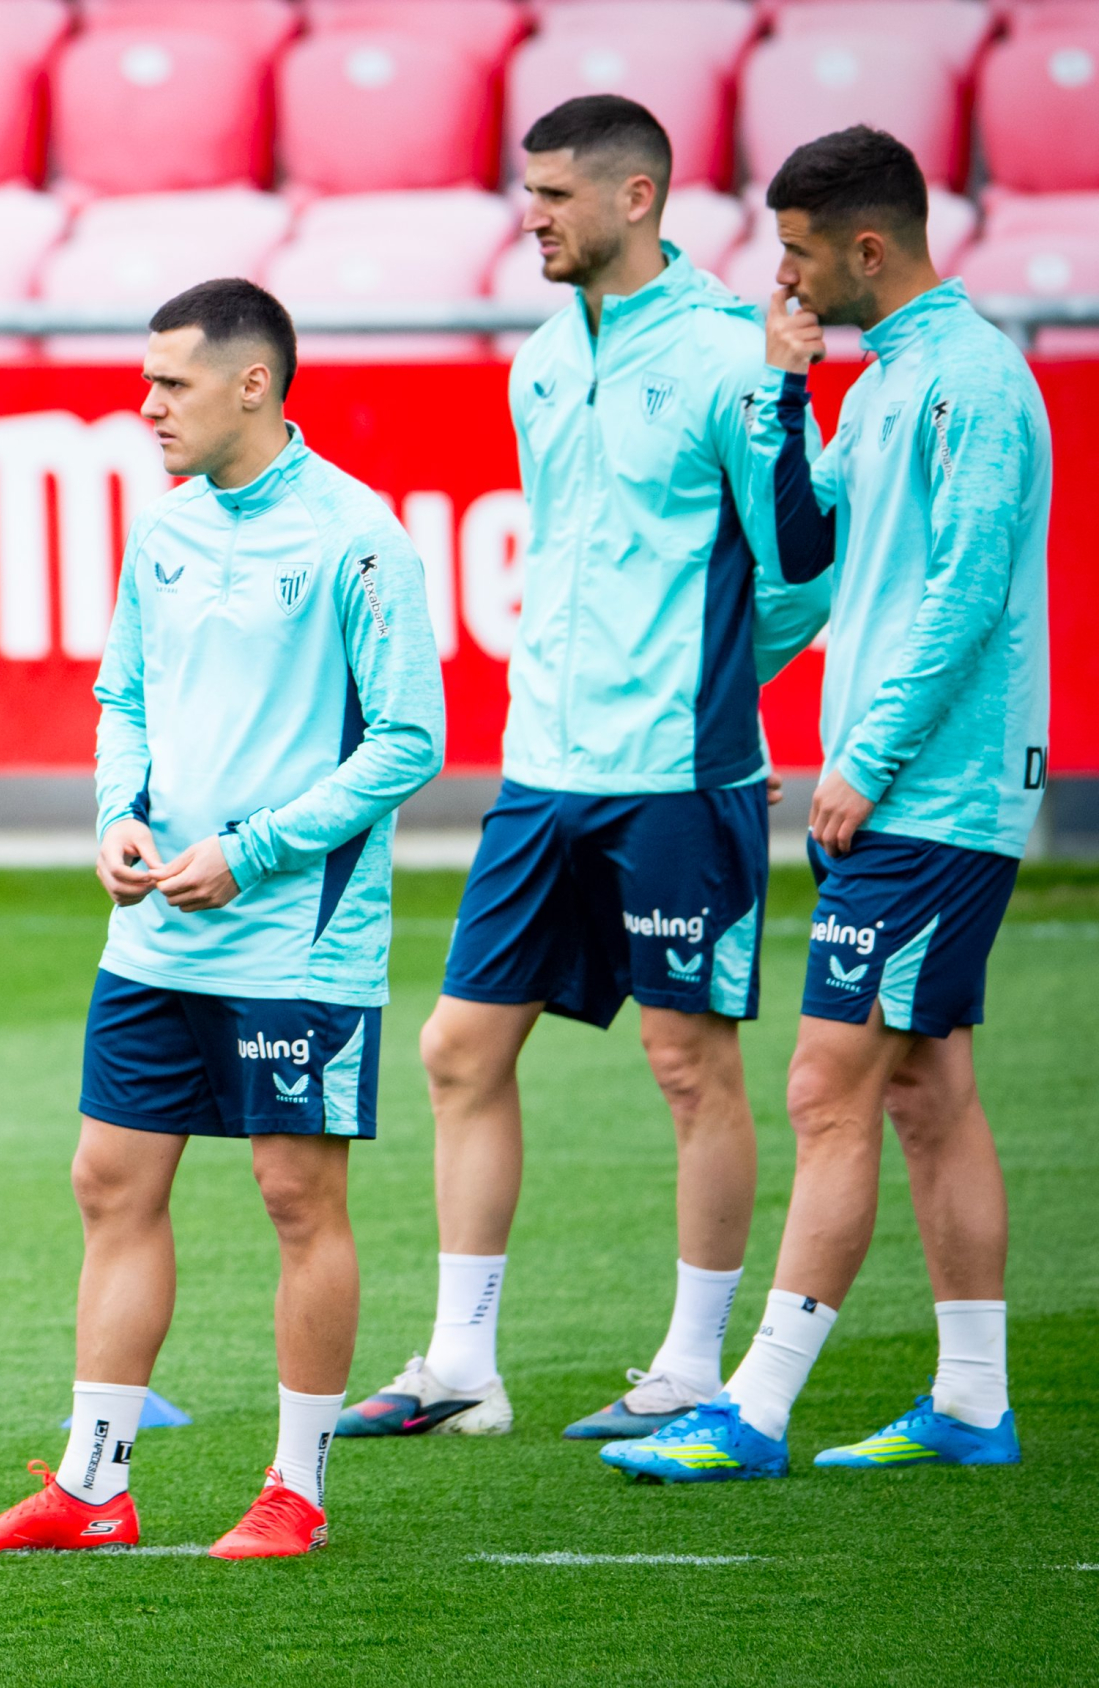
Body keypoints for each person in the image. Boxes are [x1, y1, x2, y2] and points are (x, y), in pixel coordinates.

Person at [339, 95, 834, 1445]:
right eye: (525, 191)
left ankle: (687, 1367)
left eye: (555, 194)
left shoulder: (739, 356)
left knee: (690, 1067)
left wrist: (721, 703)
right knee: (457, 1049)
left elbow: (800, 570)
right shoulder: (544, 360)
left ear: (635, 198)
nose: (531, 216)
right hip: (544, 767)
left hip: (679, 773)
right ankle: (460, 1369)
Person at [0, 279, 444, 1560]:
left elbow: (412, 741)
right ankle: (95, 1484)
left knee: (294, 1194)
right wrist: (122, 814)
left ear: (254, 385)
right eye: (148, 377)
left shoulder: (358, 538)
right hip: (159, 927)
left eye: (171, 381)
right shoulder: (159, 530)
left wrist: (258, 849)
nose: (146, 402)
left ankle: (299, 1486)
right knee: (110, 1180)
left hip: (298, 934)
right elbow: (124, 695)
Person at [603, 126, 1049, 1482]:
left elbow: (968, 596)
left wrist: (869, 760)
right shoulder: (885, 383)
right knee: (925, 1090)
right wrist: (783, 395)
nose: (782, 276)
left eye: (799, 251)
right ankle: (972, 1399)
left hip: (933, 794)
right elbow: (817, 547)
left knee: (824, 1086)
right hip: (915, 789)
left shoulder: (973, 383)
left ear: (867, 247)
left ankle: (756, 1405)